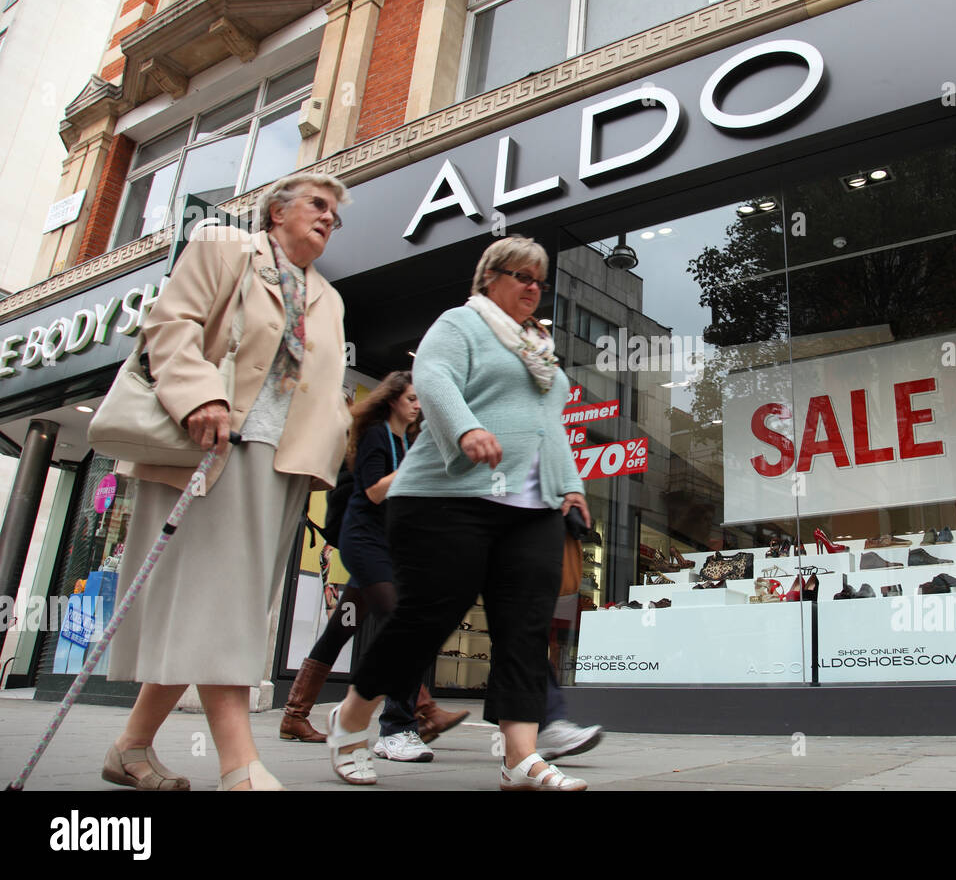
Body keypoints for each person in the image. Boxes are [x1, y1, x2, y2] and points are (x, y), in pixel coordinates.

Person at [103, 173, 353, 791]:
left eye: (336, 216)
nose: (329, 219)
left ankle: (130, 749)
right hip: (212, 446)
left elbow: (324, 392)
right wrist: (197, 397)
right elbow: (173, 324)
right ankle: (239, 765)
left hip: (282, 465)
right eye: (318, 206)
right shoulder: (223, 246)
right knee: (225, 607)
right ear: (276, 211)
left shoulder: (328, 297)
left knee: (222, 607)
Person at [324, 235, 592, 790]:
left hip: (530, 507)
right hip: (445, 501)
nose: (532, 287)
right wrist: (467, 428)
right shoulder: (461, 324)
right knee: (427, 620)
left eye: (538, 280)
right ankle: (351, 718)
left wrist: (571, 487)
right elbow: (435, 378)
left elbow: (551, 422)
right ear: (489, 278)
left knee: (524, 628)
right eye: (520, 276)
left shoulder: (537, 346)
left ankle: (520, 757)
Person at [279, 371, 470, 757]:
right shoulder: (375, 435)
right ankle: (420, 710)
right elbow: (373, 491)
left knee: (342, 627)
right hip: (367, 547)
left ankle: (294, 714)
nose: (418, 405)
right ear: (392, 399)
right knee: (399, 625)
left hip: (382, 549)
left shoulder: (403, 439)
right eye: (412, 398)